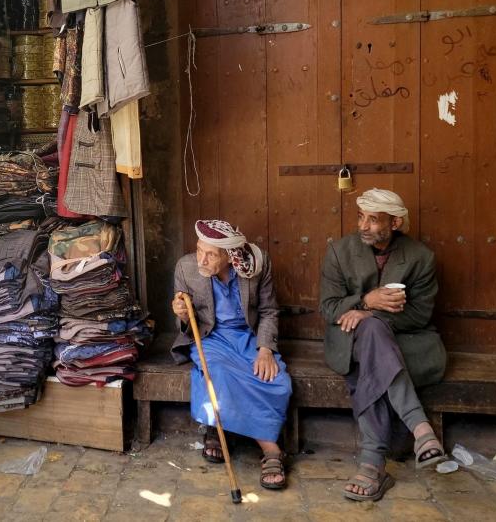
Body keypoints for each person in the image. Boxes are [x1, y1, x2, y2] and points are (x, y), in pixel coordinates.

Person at [319, 188, 447, 502]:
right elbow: (328, 307)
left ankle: (373, 463)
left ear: (395, 222)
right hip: (350, 341)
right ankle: (421, 429)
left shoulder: (420, 257)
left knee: (372, 354)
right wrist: (366, 300)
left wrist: (368, 316)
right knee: (372, 342)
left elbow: (419, 314)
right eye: (361, 216)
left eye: (374, 220)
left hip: (406, 342)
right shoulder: (339, 252)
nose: (363, 225)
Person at [171, 220, 292, 490]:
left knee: (277, 380)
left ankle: (219, 428)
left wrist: (265, 350)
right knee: (220, 374)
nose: (201, 258)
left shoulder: (256, 266)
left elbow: (269, 311)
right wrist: (180, 313)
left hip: (248, 338)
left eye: (211, 254)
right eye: (200, 250)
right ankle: (271, 449)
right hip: (210, 337)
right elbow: (186, 322)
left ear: (229, 256)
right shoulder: (186, 267)